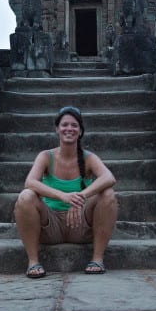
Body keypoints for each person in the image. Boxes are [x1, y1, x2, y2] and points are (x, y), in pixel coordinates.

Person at [13, 105, 118, 278]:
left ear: (80, 131)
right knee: (26, 196)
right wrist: (63, 196)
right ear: (57, 129)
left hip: (80, 224)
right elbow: (30, 182)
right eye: (65, 125)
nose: (69, 128)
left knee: (108, 194)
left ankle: (97, 259)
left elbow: (109, 177)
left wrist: (81, 196)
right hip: (50, 226)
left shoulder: (89, 158)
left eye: (74, 125)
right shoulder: (46, 156)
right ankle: (33, 262)